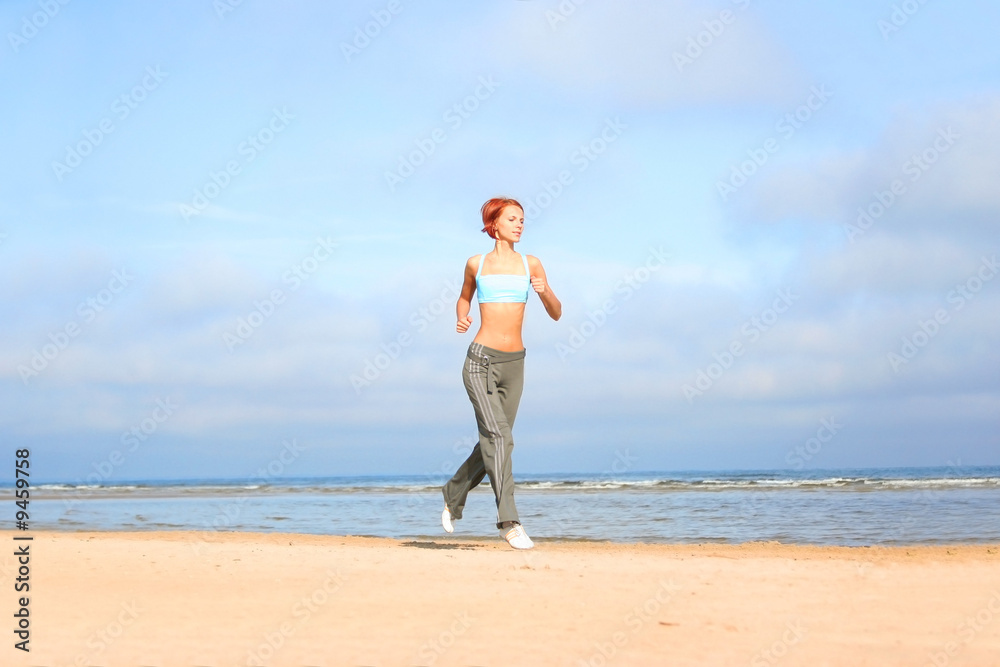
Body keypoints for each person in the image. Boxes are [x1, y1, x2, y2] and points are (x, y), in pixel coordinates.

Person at [441, 197, 562, 549]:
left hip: (515, 364)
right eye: (513, 219)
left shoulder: (531, 264)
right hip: (480, 361)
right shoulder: (476, 264)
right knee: (501, 439)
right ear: (494, 223)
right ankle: (509, 521)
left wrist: (545, 292)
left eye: (523, 219)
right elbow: (464, 297)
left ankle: (453, 492)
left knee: (495, 441)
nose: (520, 224)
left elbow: (556, 312)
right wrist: (461, 316)